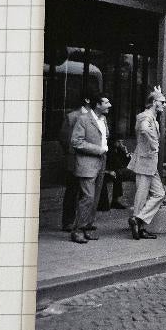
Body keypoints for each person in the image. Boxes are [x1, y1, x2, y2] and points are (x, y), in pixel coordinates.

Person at [69, 92, 112, 243]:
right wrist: (97, 149)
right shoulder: (83, 119)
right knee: (88, 197)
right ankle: (78, 230)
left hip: (101, 162)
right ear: (98, 105)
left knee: (96, 197)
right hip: (87, 163)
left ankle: (87, 227)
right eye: (106, 103)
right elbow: (76, 142)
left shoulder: (103, 119)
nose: (109, 105)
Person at [127, 87, 166, 240]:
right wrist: (152, 143)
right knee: (141, 196)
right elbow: (144, 129)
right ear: (153, 103)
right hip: (145, 162)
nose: (164, 105)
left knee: (159, 193)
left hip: (150, 163)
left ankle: (138, 220)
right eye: (162, 102)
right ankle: (138, 224)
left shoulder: (152, 117)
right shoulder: (146, 116)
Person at [59, 96, 90, 232]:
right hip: (74, 158)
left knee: (86, 192)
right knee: (72, 190)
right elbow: (65, 139)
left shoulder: (93, 116)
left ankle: (82, 221)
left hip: (88, 159)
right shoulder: (72, 116)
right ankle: (68, 221)